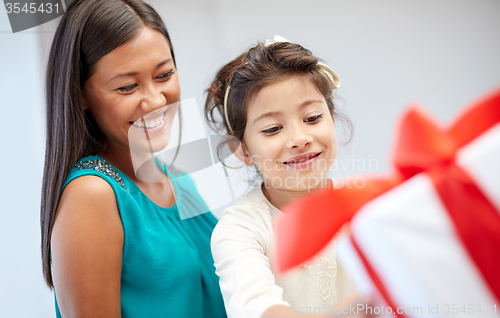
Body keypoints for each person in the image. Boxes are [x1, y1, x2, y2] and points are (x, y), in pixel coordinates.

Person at [40, 0, 227, 317]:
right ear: (80, 95)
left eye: (164, 74)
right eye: (127, 87)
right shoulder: (93, 196)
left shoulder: (179, 179)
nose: (155, 100)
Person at [205, 36, 375, 318]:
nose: (299, 139)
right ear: (243, 150)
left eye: (312, 118)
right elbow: (259, 310)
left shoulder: (368, 204)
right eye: (272, 129)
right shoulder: (240, 229)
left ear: (331, 118)